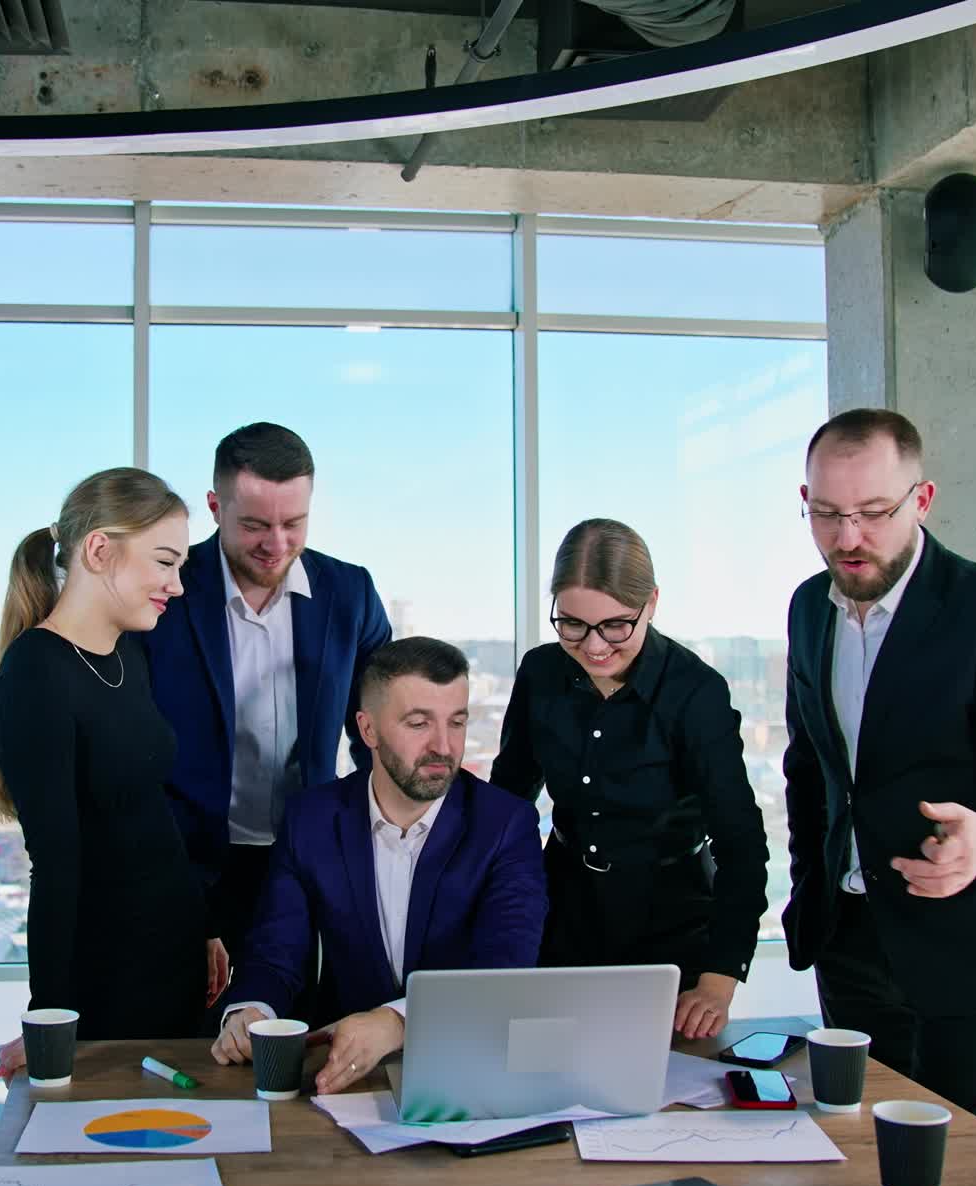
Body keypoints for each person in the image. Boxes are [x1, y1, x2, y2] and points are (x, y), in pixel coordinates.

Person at [783, 408, 976, 1129]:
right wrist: (812, 894)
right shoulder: (809, 609)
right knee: (856, 1156)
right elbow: (811, 770)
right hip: (850, 939)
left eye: (872, 512)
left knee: (959, 1185)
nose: (847, 537)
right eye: (826, 513)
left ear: (920, 502)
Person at [210, 637, 548, 1094]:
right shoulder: (311, 818)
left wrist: (398, 1022)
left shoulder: (507, 824)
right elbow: (276, 949)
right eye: (418, 723)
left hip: (469, 1073)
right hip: (340, 1079)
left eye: (457, 722)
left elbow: (504, 971)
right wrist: (252, 1012)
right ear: (367, 730)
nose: (444, 747)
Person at [0, 468, 228, 1079]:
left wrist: (202, 925)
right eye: (165, 562)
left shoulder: (128, 654)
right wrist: (50, 1020)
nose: (176, 584)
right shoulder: (37, 672)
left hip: (175, 958)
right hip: (110, 977)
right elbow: (57, 866)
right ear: (98, 550)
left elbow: (150, 814)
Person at [490, 518, 769, 1041]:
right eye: (572, 623)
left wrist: (719, 980)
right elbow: (508, 802)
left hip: (673, 924)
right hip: (563, 914)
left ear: (653, 603)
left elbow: (742, 844)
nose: (594, 646)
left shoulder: (695, 692)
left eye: (616, 625)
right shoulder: (540, 673)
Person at [141, 422, 391, 980]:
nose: (277, 545)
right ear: (213, 506)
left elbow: (379, 727)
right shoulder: (165, 594)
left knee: (293, 1034)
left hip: (306, 855)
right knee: (194, 1033)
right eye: (255, 525)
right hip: (188, 860)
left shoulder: (349, 593)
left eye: (293, 523)